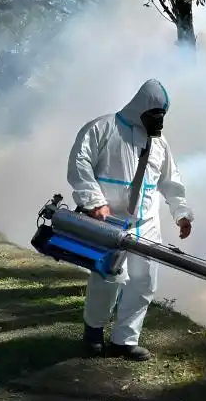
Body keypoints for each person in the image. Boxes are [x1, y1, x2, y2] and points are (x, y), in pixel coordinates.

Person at [66, 78, 193, 361]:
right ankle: (94, 333)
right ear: (140, 108)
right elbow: (79, 164)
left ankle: (125, 339)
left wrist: (181, 213)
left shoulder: (159, 144)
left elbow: (170, 181)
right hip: (109, 219)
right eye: (154, 115)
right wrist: (94, 201)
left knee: (144, 280)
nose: (158, 121)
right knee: (108, 277)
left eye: (162, 116)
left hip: (146, 221)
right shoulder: (103, 128)